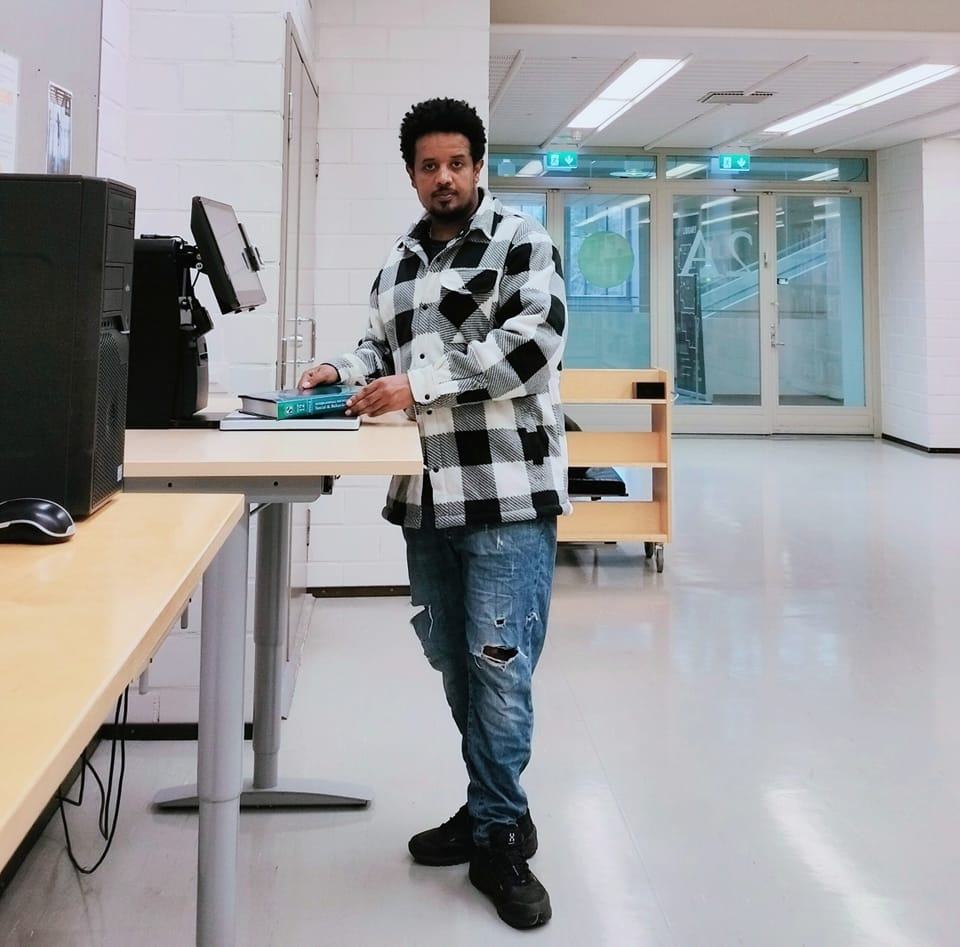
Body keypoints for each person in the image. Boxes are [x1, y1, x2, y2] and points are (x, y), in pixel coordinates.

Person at [298, 97, 568, 930]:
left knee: (498, 665)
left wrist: (421, 385)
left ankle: (503, 837)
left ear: (478, 165)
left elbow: (534, 343)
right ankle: (489, 806)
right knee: (454, 659)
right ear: (411, 172)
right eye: (428, 165)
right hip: (425, 497)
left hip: (506, 496)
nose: (443, 177)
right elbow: (382, 345)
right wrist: (340, 368)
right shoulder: (401, 259)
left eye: (457, 163)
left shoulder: (523, 240)